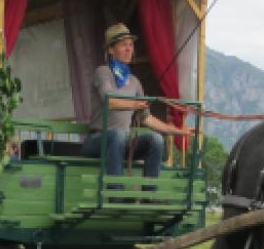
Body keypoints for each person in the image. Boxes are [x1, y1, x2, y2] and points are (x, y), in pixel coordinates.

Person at [81, 23, 189, 183]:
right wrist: (134, 104)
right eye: (124, 45)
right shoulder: (103, 72)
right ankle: (115, 194)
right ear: (111, 50)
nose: (129, 49)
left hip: (122, 142)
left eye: (131, 45)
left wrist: (176, 130)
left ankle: (149, 195)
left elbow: (146, 118)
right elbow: (109, 100)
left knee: (156, 139)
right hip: (98, 140)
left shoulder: (135, 82)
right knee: (117, 135)